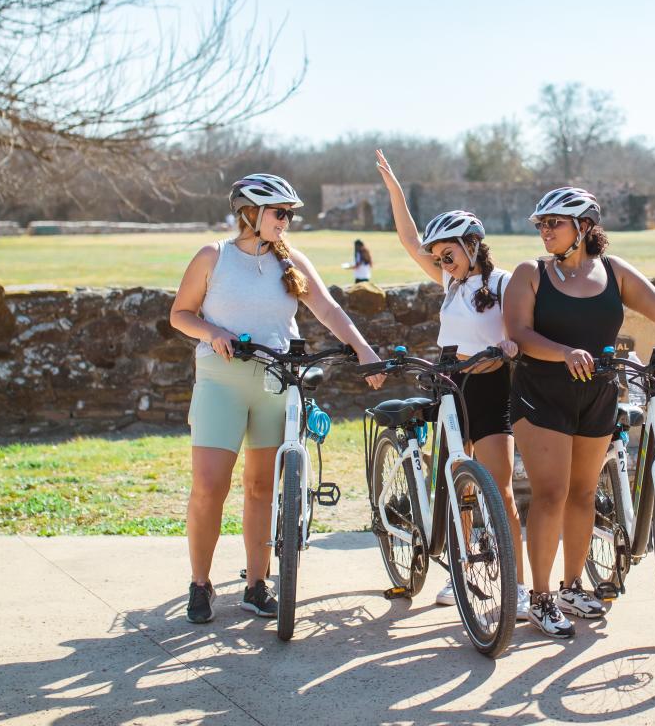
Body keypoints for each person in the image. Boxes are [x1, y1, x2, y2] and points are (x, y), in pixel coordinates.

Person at [503, 187, 655, 639]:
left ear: (585, 227)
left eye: (554, 223)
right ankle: (539, 597)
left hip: (597, 394)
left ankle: (572, 586)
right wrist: (564, 352)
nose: (544, 231)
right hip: (541, 394)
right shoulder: (529, 274)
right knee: (551, 493)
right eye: (541, 224)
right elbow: (518, 332)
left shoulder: (613, 272)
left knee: (584, 494)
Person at [170, 173, 385, 625]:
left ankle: (256, 584)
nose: (286, 222)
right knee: (210, 486)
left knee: (262, 488)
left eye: (289, 214)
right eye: (280, 213)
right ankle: (200, 583)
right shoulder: (214, 256)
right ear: (249, 214)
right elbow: (181, 314)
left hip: (276, 380)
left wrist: (364, 349)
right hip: (221, 380)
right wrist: (213, 331)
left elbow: (327, 309)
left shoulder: (292, 261)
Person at [374, 149, 530, 621]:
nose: (443, 261)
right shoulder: (450, 283)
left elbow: (520, 330)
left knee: (499, 489)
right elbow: (408, 241)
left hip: (489, 388)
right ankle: (461, 569)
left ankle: (518, 588)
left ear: (474, 244)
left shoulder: (503, 282)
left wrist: (510, 346)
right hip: (449, 388)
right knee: (458, 484)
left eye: (450, 253)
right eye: (439, 256)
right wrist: (397, 192)